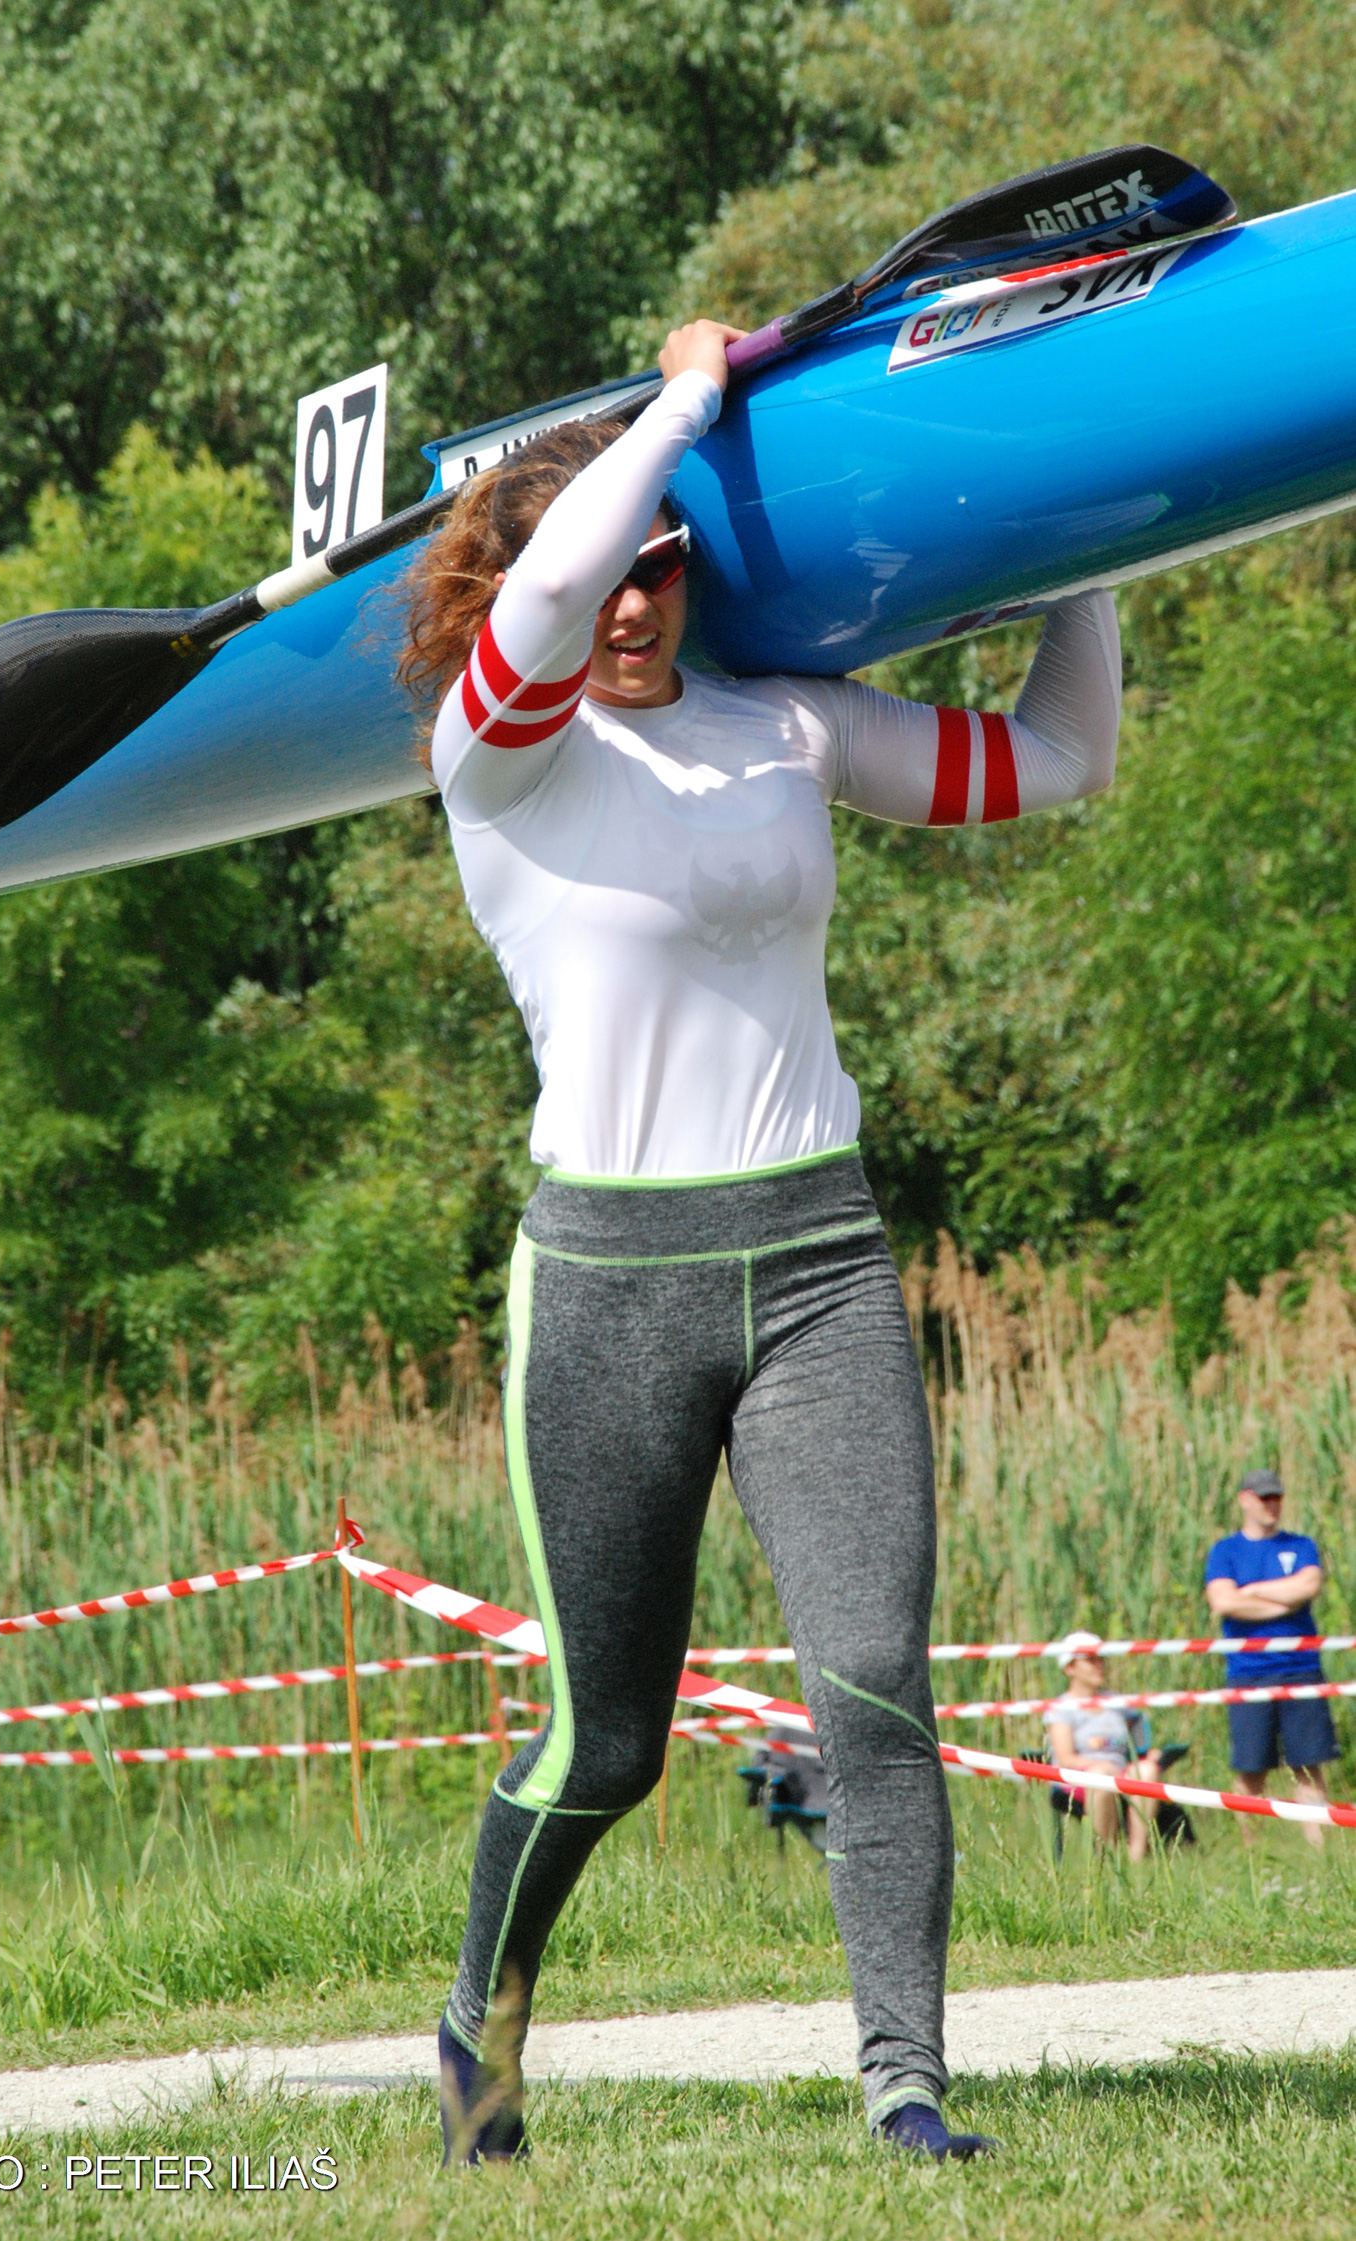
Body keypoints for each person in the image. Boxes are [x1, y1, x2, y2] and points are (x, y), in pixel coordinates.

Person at [399, 318, 1120, 2166]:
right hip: (610, 1288)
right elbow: (550, 574)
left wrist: (1094, 533)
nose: (634, 599)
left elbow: (1064, 756)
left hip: (818, 1262)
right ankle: (479, 2032)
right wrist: (684, 402)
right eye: (611, 574)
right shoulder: (496, 759)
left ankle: (907, 2089)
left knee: (875, 1682)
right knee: (609, 1745)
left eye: (665, 566)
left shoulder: (783, 724)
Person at [1205, 1469, 1338, 1848]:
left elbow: (1308, 1585)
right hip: (1249, 1672)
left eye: (1277, 1496)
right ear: (1244, 1499)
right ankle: (1252, 1854)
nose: (1273, 1504)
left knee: (1309, 1767)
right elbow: (1224, 1601)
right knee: (1251, 1769)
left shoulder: (1301, 1545)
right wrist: (1283, 1599)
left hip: (1301, 1668)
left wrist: (1254, 1592)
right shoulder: (1225, 1551)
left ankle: (1319, 1853)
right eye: (1264, 1497)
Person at [1045, 1630, 1162, 1858]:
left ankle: (1137, 1855)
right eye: (1090, 1660)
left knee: (1147, 1771)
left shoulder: (1116, 1702)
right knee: (1101, 1776)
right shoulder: (1061, 1708)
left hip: (1120, 1770)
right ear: (1070, 1668)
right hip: (1080, 1776)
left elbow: (1139, 1731)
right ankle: (1104, 1857)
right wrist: (1104, 1767)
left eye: (1101, 1659)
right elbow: (1066, 1758)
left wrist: (1148, 1753)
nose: (1099, 1665)